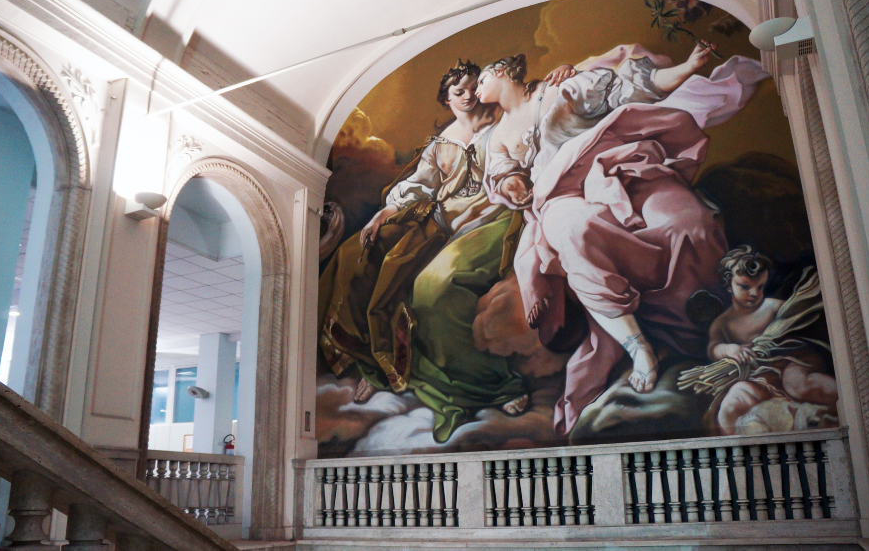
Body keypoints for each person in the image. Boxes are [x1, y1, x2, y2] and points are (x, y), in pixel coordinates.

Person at [476, 43, 770, 435]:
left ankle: (711, 321)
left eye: (482, 79)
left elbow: (634, 87)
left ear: (502, 71)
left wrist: (688, 65)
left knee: (690, 221)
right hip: (558, 197)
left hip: (619, 168)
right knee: (577, 232)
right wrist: (512, 185)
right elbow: (503, 176)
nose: (477, 89)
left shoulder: (561, 88)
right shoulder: (496, 136)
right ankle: (637, 346)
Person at [318, 60, 533, 443]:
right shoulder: (443, 142)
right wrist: (384, 213)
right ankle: (378, 368)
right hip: (442, 222)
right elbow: (420, 185)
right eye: (458, 91)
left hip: (493, 218)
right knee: (358, 258)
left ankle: (492, 387)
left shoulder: (505, 122)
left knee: (431, 291)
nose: (468, 96)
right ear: (447, 99)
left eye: (472, 87)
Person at [707, 246, 838, 435]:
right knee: (731, 404)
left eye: (760, 287)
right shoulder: (723, 323)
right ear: (729, 285)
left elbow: (797, 324)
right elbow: (713, 347)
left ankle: (848, 402)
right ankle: (736, 448)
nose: (754, 293)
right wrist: (729, 349)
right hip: (756, 376)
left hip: (791, 362)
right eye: (745, 287)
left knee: (798, 385)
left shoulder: (774, 307)